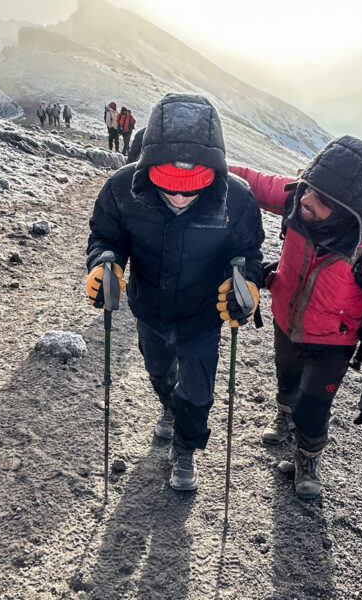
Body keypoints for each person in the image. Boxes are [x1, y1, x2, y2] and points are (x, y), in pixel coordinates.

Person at [86, 93, 264, 491]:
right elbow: (105, 236)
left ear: (213, 171)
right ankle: (170, 406)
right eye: (170, 185)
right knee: (159, 372)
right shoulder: (122, 189)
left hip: (203, 316)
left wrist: (248, 281)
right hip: (149, 308)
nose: (180, 196)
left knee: (199, 392)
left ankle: (185, 447)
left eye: (192, 187)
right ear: (148, 167)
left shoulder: (237, 198)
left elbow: (247, 252)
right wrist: (103, 264)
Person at [229, 135, 362, 499]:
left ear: (349, 210)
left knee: (314, 405)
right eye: (309, 189)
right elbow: (252, 180)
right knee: (286, 377)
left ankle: (307, 456)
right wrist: (201, 164)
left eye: (321, 199)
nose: (307, 201)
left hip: (334, 340)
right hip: (286, 318)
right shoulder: (301, 197)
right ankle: (282, 413)